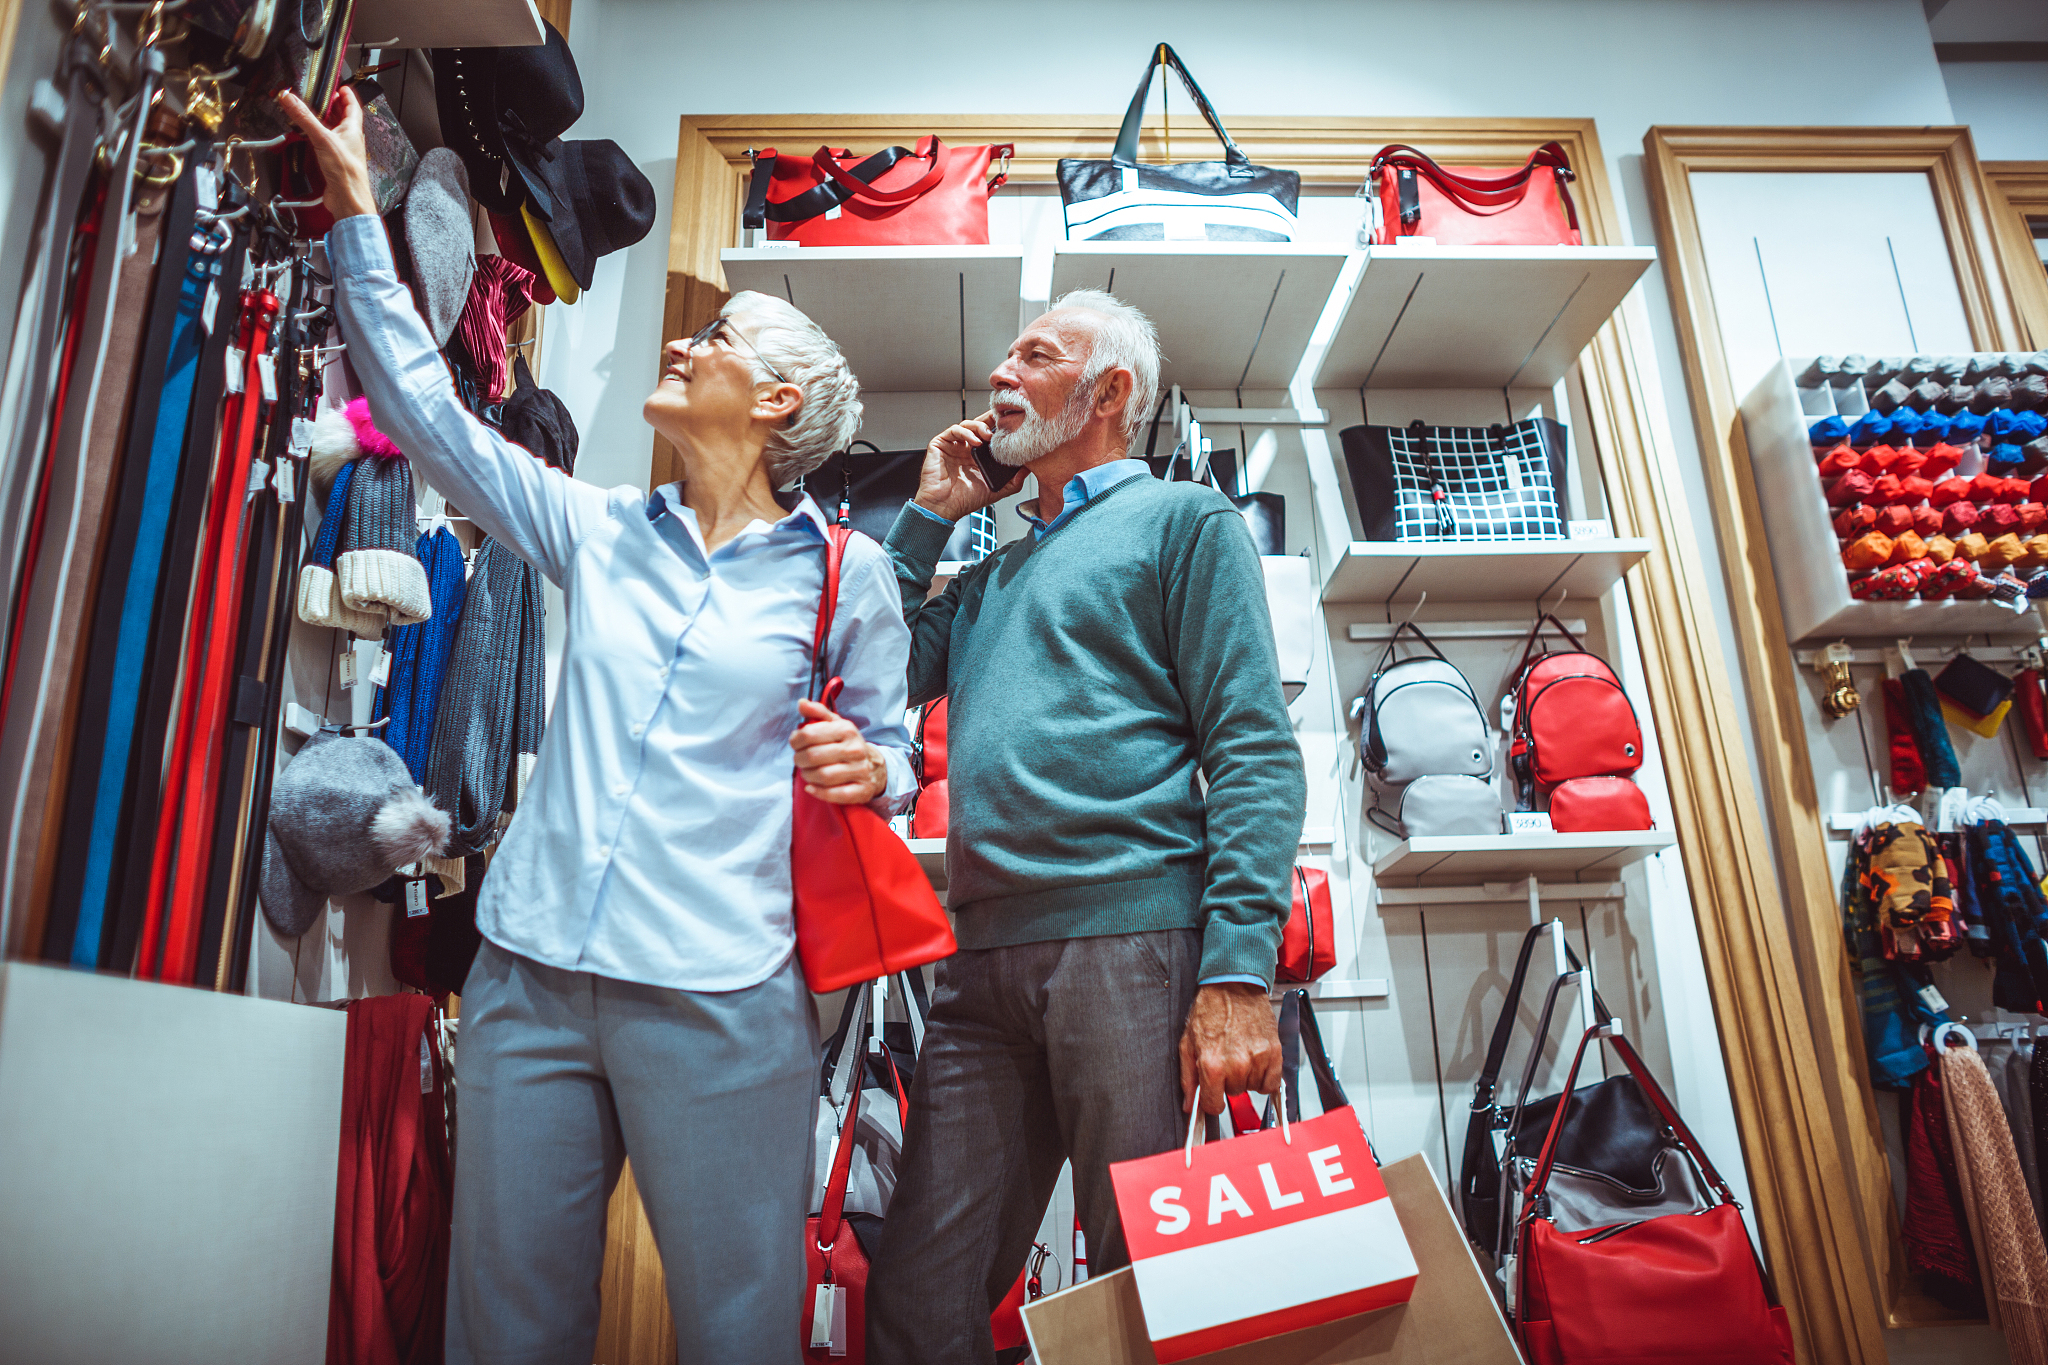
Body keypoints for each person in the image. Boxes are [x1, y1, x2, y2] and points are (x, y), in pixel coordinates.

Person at [279, 89, 916, 1364]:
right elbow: (426, 420)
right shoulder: (602, 531)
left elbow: (893, 759)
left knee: (739, 1332)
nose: (683, 349)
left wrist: (871, 767)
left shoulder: (847, 575)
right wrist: (356, 209)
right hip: (530, 972)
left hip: (724, 1000)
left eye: (715, 341)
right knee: (504, 1331)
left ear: (775, 405)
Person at [865, 290, 1308, 1363]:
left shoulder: (1182, 523)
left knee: (1150, 1296)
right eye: (1002, 359)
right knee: (917, 1296)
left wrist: (1238, 974)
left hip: (1133, 953)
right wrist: (930, 514)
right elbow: (873, 672)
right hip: (979, 965)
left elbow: (1251, 748)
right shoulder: (988, 572)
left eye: (1034, 357)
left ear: (1108, 393)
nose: (998, 379)